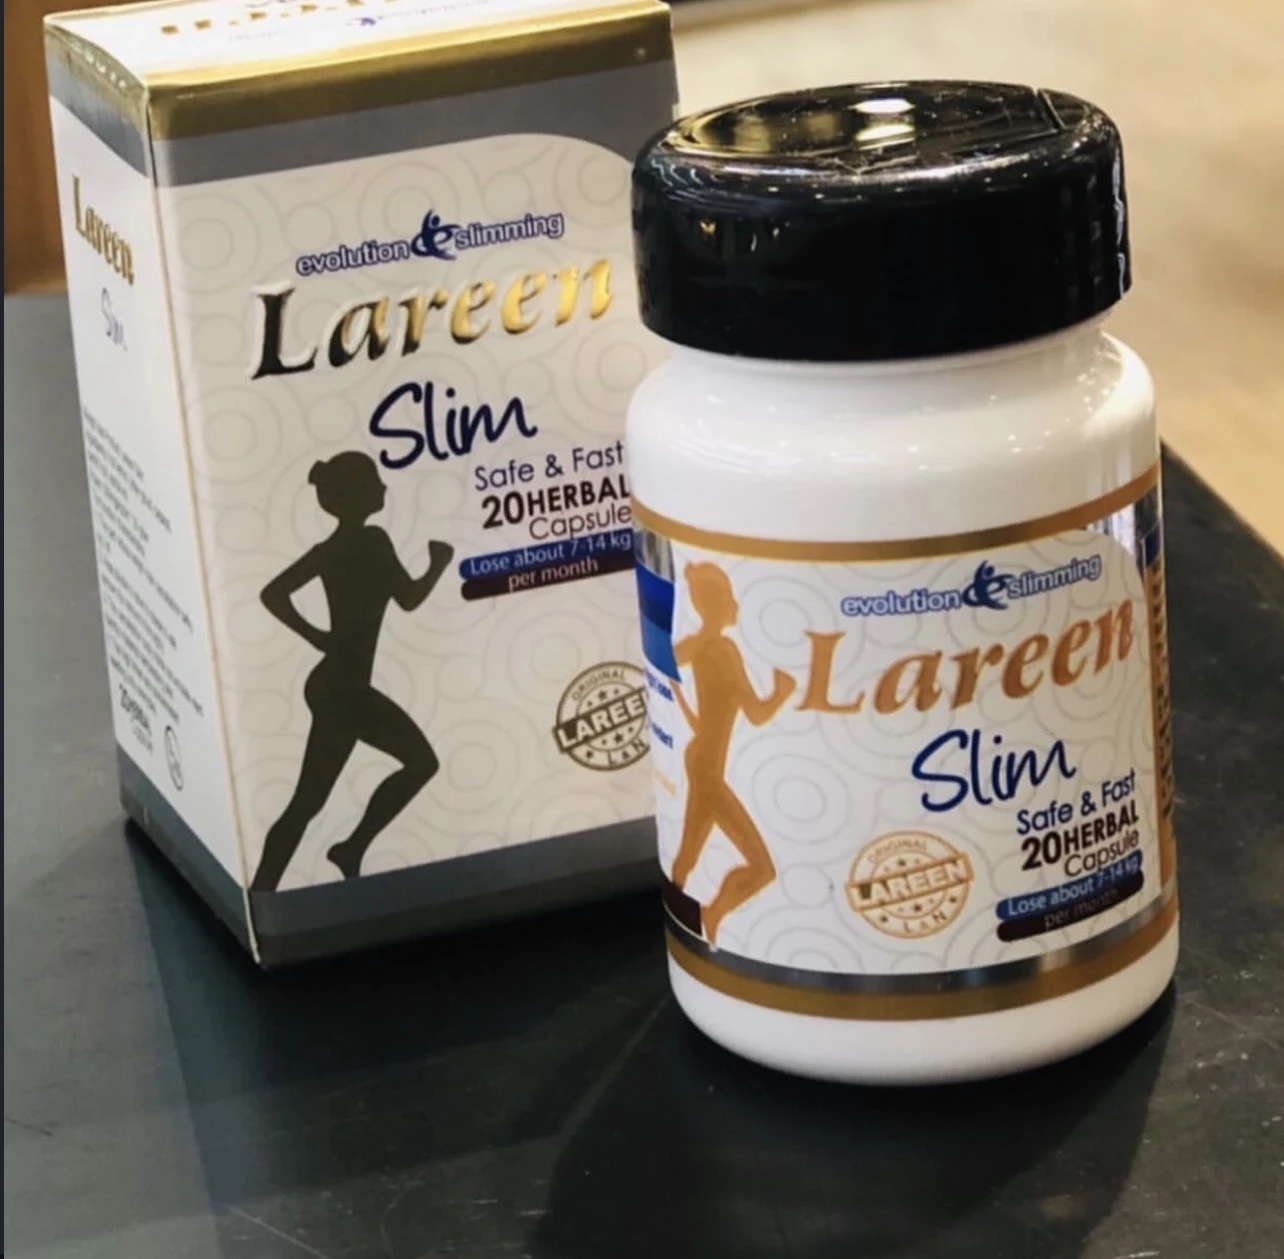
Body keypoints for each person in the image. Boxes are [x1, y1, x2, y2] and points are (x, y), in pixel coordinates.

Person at [250, 451, 453, 891]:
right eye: (375, 482)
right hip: (343, 690)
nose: (383, 487)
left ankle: (341, 853)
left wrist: (318, 637)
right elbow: (410, 598)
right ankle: (273, 886)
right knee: (412, 765)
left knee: (311, 801)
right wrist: (438, 563)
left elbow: (274, 594)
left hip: (338, 684)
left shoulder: (331, 550)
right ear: (358, 495)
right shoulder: (372, 541)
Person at [671, 562, 795, 943]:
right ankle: (709, 917)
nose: (736, 604)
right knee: (761, 867)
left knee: (687, 856)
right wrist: (783, 691)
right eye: (729, 597)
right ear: (718, 604)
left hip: (700, 761)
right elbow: (757, 714)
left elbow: (704, 714)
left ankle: (694, 925)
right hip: (708, 770)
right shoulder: (723, 651)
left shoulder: (700, 649)